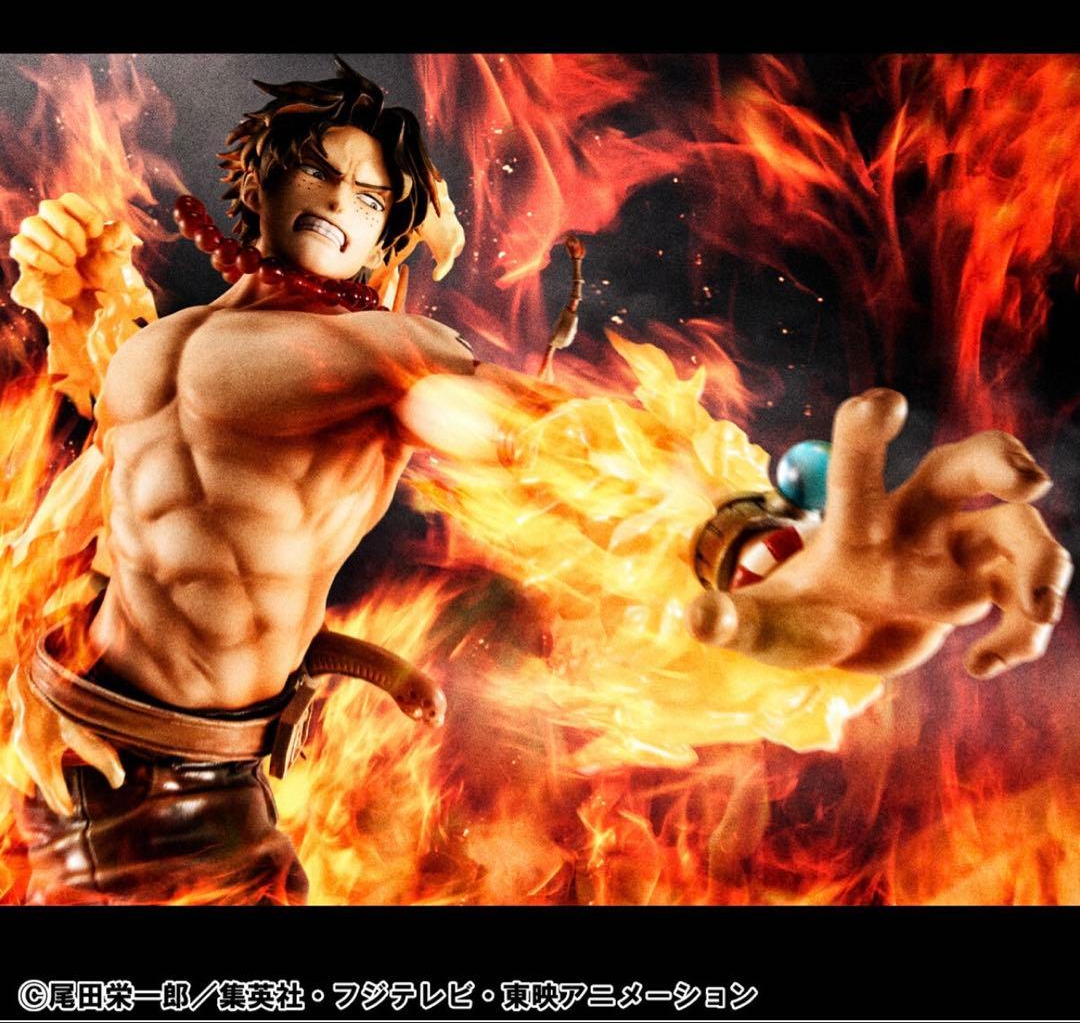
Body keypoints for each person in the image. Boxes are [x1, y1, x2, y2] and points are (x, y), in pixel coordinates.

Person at [5, 58, 1073, 904]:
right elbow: (108, 521)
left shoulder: (382, 356)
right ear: (266, 181)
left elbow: (527, 436)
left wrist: (744, 538)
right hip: (74, 752)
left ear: (391, 230)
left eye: (372, 195)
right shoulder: (160, 345)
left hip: (194, 792)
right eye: (321, 173)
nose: (341, 203)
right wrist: (30, 685)